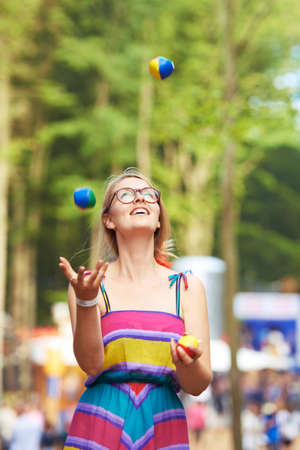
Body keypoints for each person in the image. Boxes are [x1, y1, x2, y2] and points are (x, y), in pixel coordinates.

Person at [59, 168, 212, 449]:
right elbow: (90, 364)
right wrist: (85, 301)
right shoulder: (90, 285)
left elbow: (198, 384)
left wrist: (186, 364)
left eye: (149, 195)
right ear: (108, 219)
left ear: (158, 219)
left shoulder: (187, 287)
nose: (140, 199)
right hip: (101, 419)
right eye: (126, 195)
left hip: (163, 420)